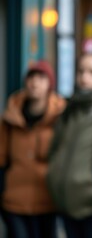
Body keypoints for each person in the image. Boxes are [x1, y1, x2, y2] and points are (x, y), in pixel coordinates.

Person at [0, 60, 66, 238]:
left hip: (48, 200)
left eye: (41, 78)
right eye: (31, 77)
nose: (35, 82)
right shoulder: (11, 116)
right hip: (14, 200)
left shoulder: (60, 117)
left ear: (50, 84)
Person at [46, 53, 92, 238]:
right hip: (64, 203)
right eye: (81, 71)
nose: (84, 77)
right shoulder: (70, 108)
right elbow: (55, 148)